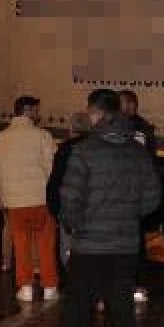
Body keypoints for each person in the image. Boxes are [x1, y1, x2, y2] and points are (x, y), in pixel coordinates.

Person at [33, 89, 162, 327]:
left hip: (90, 246)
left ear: (98, 114)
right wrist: (126, 216)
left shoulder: (84, 151)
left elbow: (70, 200)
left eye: (89, 112)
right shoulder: (137, 151)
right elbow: (152, 199)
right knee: (122, 314)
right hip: (125, 246)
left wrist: (75, 227)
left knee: (78, 309)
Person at [0, 96, 58, 302]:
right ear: (27, 111)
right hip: (40, 199)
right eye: (36, 110)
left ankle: (25, 287)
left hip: (14, 200)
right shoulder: (43, 136)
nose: (38, 114)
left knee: (21, 244)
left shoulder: (0, 138)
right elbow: (51, 168)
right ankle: (49, 286)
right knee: (45, 244)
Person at [119, 89, 158, 304]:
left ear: (131, 105)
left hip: (122, 194)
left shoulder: (121, 129)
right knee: (136, 241)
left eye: (121, 103)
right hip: (136, 195)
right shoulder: (144, 129)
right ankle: (136, 284)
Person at [47, 111, 92, 269]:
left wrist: (53, 206)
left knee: (68, 245)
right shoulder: (97, 149)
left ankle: (72, 274)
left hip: (69, 207)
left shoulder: (65, 149)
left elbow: (56, 179)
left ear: (71, 128)